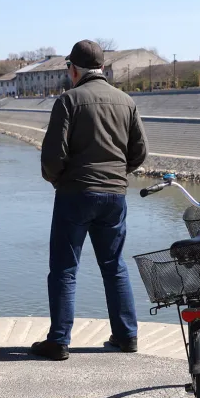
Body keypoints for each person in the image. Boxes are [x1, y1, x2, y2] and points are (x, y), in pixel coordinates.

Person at [31, 39, 149, 361]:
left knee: (65, 269)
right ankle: (127, 335)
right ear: (103, 69)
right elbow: (140, 152)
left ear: (74, 70)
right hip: (114, 197)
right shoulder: (126, 102)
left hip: (75, 194)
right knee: (114, 266)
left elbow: (52, 156)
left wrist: (58, 180)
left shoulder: (68, 101)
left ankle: (59, 341)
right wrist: (117, 175)